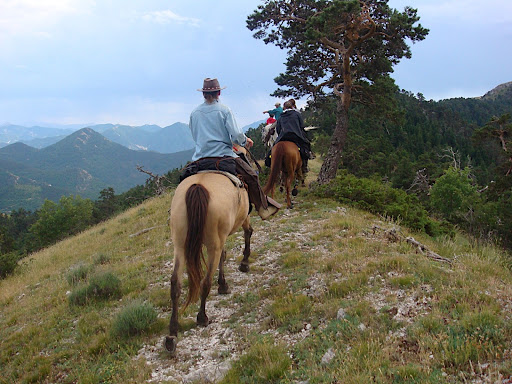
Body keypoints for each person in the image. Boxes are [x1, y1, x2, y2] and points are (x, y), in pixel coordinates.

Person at [186, 78, 280, 220]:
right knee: (252, 177)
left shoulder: (194, 113)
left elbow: (195, 135)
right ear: (219, 93)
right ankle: (263, 209)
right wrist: (245, 140)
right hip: (223, 156)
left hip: (200, 159)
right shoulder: (224, 110)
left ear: (204, 94)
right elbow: (236, 135)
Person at [272, 99, 312, 174]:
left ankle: (269, 161)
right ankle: (305, 165)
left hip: (283, 136)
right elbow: (302, 125)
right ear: (292, 106)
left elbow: (278, 128)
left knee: (273, 148)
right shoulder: (297, 114)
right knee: (306, 145)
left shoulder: (281, 116)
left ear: (284, 107)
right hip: (296, 136)